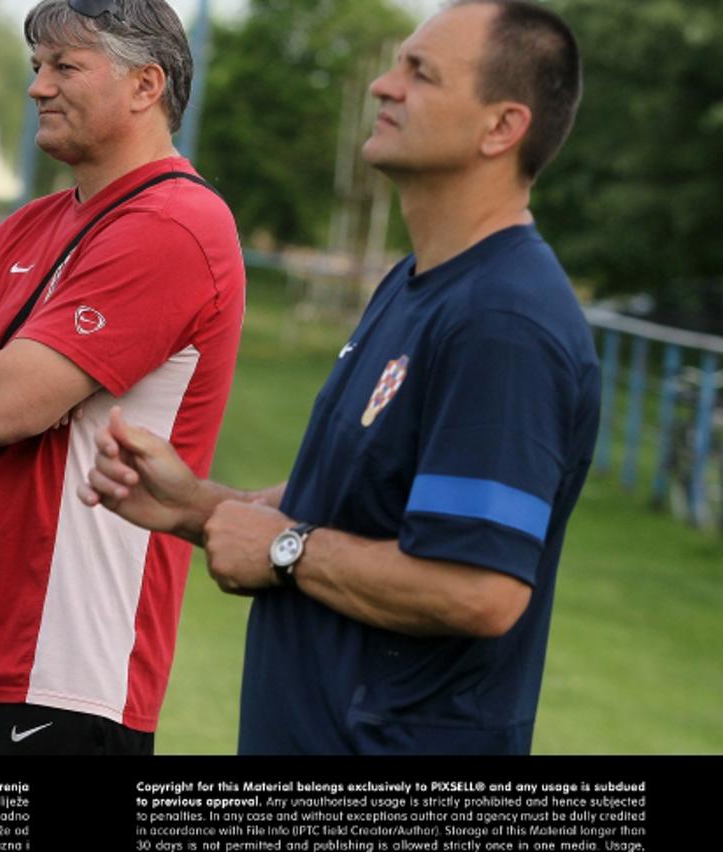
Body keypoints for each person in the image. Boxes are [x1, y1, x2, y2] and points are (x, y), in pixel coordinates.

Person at [81, 0, 598, 755]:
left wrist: (285, 550)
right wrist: (197, 507)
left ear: (501, 127)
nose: (384, 86)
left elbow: (478, 589)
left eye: (419, 74)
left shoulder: (503, 322)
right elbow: (360, 509)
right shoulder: (414, 285)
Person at [0, 0, 246, 755]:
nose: (37, 89)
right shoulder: (27, 225)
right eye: (35, 67)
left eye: (64, 67)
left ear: (146, 85)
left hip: (65, 663)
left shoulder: (174, 224)